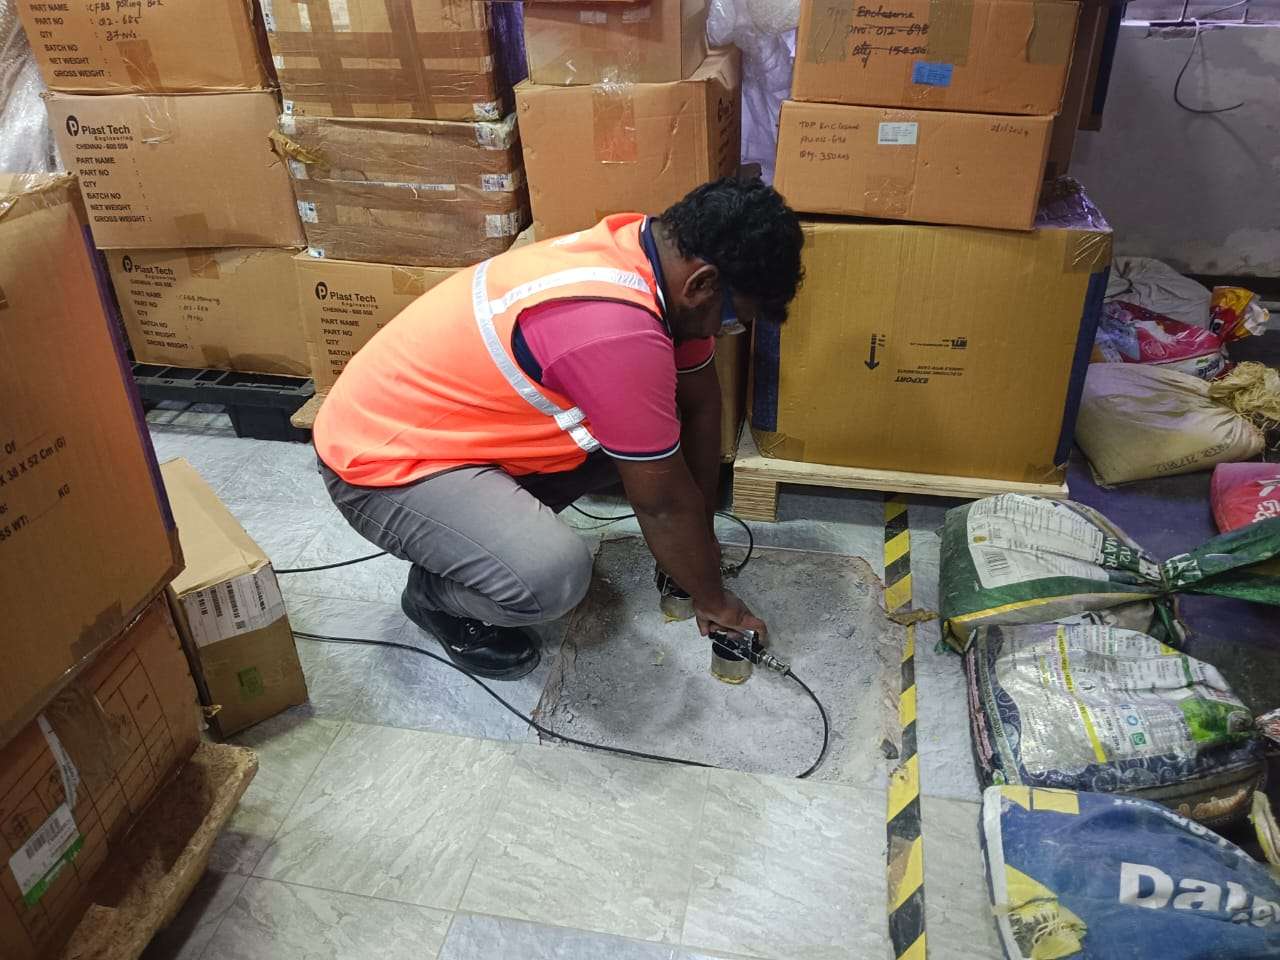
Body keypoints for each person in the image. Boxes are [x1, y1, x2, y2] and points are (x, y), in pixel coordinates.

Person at [312, 177, 805, 680]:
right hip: (382, 462)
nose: (721, 332)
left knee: (654, 427)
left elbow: (700, 408)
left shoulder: (659, 260)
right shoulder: (613, 326)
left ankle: (482, 541)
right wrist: (716, 604)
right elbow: (660, 503)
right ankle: (435, 596)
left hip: (456, 428)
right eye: (731, 321)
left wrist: (701, 541)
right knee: (552, 577)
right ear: (702, 284)